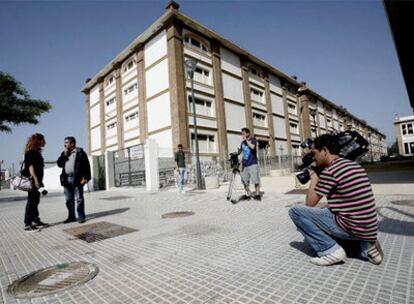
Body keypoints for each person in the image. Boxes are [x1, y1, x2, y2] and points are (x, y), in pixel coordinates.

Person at [289, 134, 384, 266]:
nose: (314, 158)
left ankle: (330, 251)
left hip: (352, 227)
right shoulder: (355, 166)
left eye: (314, 153)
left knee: (296, 211)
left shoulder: (330, 172)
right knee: (328, 210)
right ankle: (366, 247)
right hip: (369, 228)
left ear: (325, 150)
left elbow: (310, 203)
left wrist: (315, 176)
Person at [57, 136, 91, 224]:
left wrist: (84, 180)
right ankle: (71, 216)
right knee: (69, 199)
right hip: (66, 179)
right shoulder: (64, 153)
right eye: (64, 142)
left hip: (77, 179)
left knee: (79, 198)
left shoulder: (80, 153)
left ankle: (81, 216)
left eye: (66, 142)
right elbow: (59, 164)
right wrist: (64, 155)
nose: (64, 144)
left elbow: (86, 167)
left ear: (72, 143)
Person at [22, 133, 49, 232]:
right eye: (43, 140)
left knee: (36, 200)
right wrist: (36, 180)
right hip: (34, 180)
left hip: (38, 180)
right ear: (38, 140)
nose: (45, 142)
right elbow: (30, 167)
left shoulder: (36, 152)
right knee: (31, 201)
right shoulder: (31, 152)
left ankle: (35, 220)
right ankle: (27, 224)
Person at [240, 128, 261, 201]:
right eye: (241, 133)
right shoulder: (242, 143)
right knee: (244, 181)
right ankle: (248, 194)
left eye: (243, 133)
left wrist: (246, 140)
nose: (242, 134)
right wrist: (240, 162)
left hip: (252, 163)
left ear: (248, 133)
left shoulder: (253, 139)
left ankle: (257, 194)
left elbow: (252, 147)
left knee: (255, 180)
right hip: (244, 164)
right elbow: (242, 153)